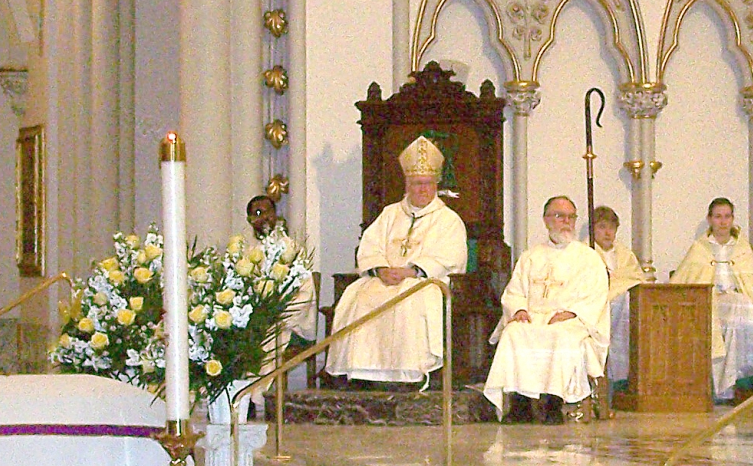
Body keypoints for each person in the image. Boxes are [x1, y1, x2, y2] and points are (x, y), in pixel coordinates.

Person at [325, 136, 468, 388]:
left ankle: (408, 374)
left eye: (426, 184)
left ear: (436, 184)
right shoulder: (390, 214)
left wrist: (412, 270)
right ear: (407, 185)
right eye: (416, 184)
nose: (422, 189)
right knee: (357, 295)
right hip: (383, 278)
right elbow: (370, 246)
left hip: (423, 282)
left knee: (409, 299)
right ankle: (363, 372)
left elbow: (451, 256)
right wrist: (380, 268)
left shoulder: (449, 219)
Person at [483, 197, 610, 424]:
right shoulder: (531, 256)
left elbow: (596, 296)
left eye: (571, 216)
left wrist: (572, 313)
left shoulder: (588, 258)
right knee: (514, 332)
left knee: (561, 336)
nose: (566, 222)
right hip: (533, 317)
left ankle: (553, 402)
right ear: (546, 220)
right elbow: (515, 291)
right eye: (559, 216)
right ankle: (520, 402)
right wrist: (519, 310)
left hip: (570, 320)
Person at [670, 197, 753, 402]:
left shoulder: (742, 248)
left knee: (748, 315)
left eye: (727, 216)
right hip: (710, 302)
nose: (723, 222)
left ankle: (741, 379)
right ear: (710, 219)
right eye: (718, 217)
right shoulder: (700, 248)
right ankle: (722, 386)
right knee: (732, 314)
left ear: (733, 219)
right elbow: (684, 279)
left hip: (737, 299)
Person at [246, 193, 317, 350]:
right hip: (254, 323)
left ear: (275, 215)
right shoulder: (246, 253)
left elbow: (304, 292)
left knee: (270, 339)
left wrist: (278, 318)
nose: (264, 217)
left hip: (289, 324)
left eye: (268, 211)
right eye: (258, 213)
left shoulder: (291, 249)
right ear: (250, 219)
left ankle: (267, 376)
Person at [590, 205, 643, 389]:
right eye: (602, 227)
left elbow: (636, 280)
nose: (607, 233)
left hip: (626, 307)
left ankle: (626, 376)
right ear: (593, 229)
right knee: (623, 302)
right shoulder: (585, 252)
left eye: (611, 228)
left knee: (630, 302)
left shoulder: (625, 254)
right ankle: (614, 378)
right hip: (597, 307)